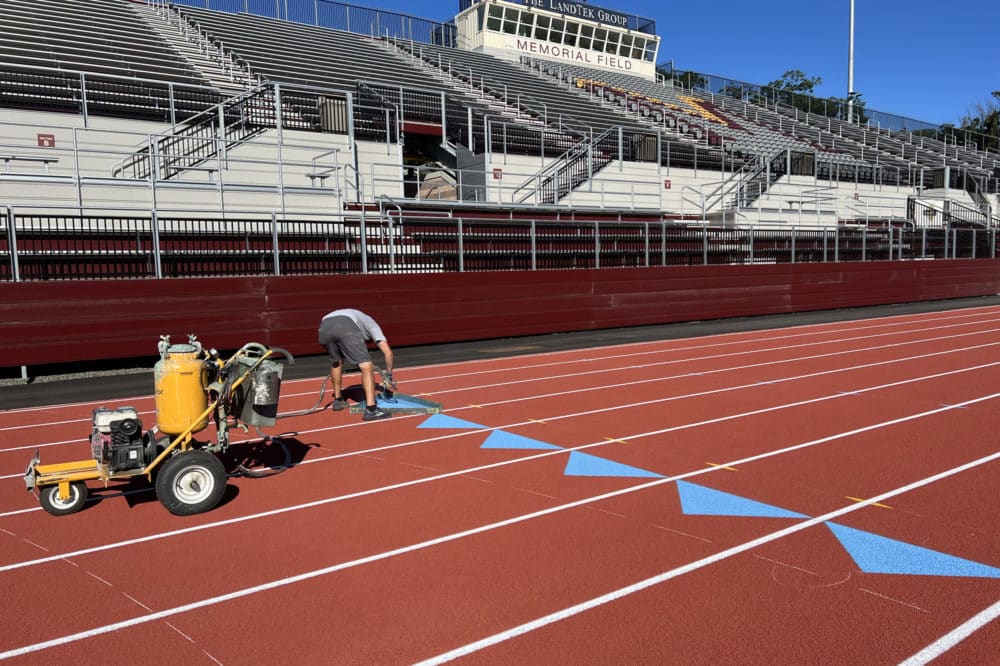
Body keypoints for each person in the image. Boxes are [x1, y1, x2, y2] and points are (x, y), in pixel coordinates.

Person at [318, 308, 395, 421]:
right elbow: (389, 353)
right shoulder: (373, 326)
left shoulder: (360, 319)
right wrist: (389, 376)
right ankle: (371, 410)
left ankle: (338, 401)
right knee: (367, 365)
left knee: (337, 362)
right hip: (344, 324)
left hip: (324, 326)